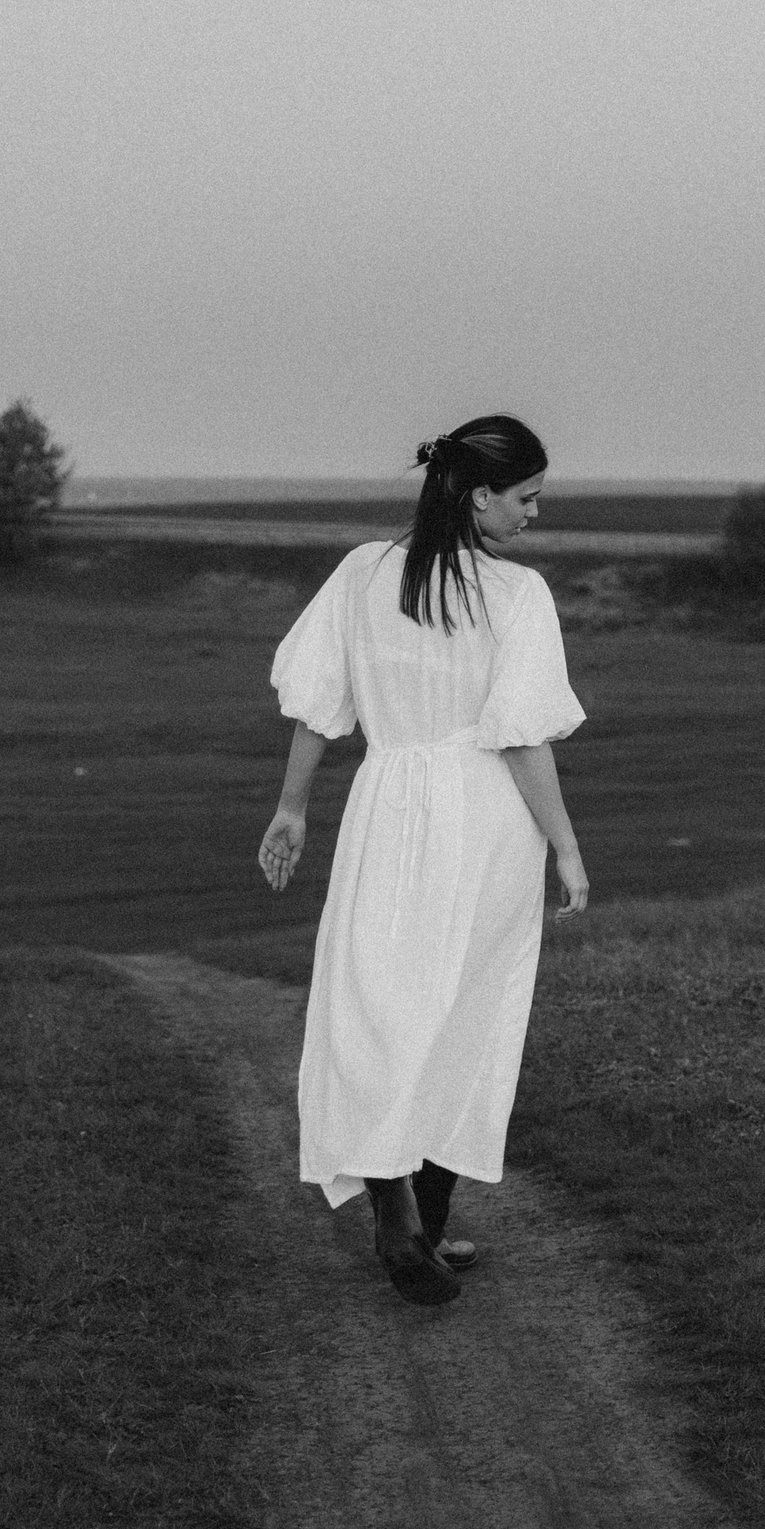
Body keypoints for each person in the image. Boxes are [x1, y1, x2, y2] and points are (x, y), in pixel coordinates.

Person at [257, 416, 590, 1305]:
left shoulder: (362, 572)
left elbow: (318, 704)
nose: (534, 514)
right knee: (465, 1014)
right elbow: (521, 739)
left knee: (377, 1005)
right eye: (526, 498)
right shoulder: (518, 595)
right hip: (486, 818)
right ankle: (417, 1224)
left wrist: (293, 806)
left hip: (386, 807)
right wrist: (565, 844)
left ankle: (406, 1220)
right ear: (479, 496)